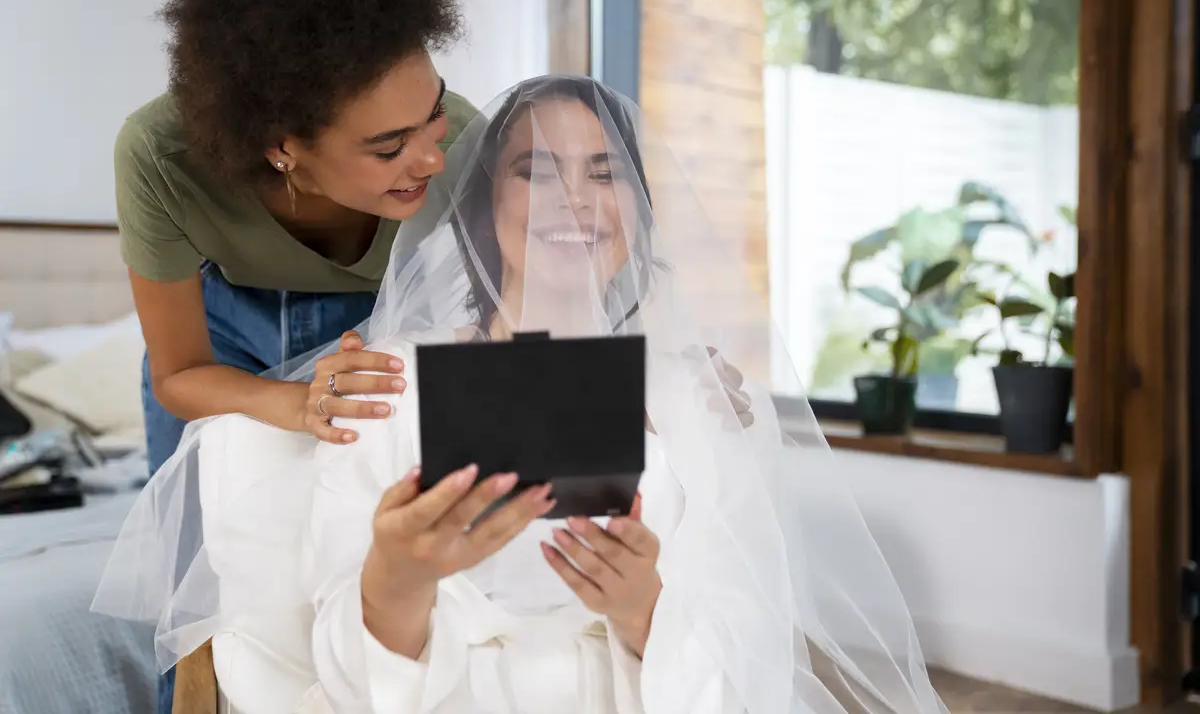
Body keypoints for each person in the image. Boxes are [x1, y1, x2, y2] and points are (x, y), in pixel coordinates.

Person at [95, 77, 948, 714]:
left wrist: (646, 610)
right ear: (478, 210)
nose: (575, 200)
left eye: (605, 173)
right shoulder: (390, 385)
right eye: (536, 172)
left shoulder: (697, 400)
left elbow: (754, 655)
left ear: (639, 214)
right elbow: (346, 686)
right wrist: (396, 582)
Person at [114, 0, 470, 709]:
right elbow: (177, 369)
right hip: (224, 336)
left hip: (391, 324)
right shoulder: (159, 155)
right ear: (283, 147)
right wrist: (289, 401)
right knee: (200, 602)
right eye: (388, 147)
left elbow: (567, 275)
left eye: (434, 112)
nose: (432, 158)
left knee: (361, 564)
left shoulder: (470, 151)